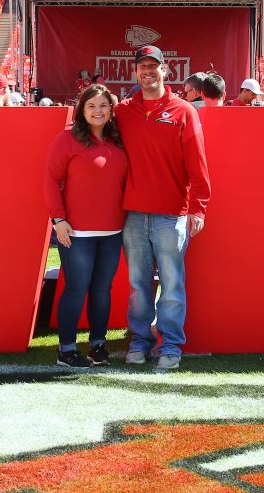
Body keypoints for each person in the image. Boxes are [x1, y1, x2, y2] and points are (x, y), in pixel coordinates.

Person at [113, 45, 211, 371]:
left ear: (164, 70)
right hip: (134, 214)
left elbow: (198, 165)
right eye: (142, 66)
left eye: (153, 66)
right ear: (135, 71)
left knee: (171, 283)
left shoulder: (184, 111)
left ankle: (170, 346)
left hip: (172, 213)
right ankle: (139, 342)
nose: (148, 71)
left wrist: (198, 208)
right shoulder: (123, 111)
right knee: (139, 285)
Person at [44, 84, 129, 368]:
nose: (98, 111)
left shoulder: (119, 141)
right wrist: (59, 220)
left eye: (103, 105)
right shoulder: (67, 139)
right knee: (76, 289)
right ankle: (66, 350)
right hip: (77, 233)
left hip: (113, 232)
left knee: (102, 290)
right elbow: (50, 181)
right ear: (82, 109)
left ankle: (98, 345)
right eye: (92, 105)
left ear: (111, 109)